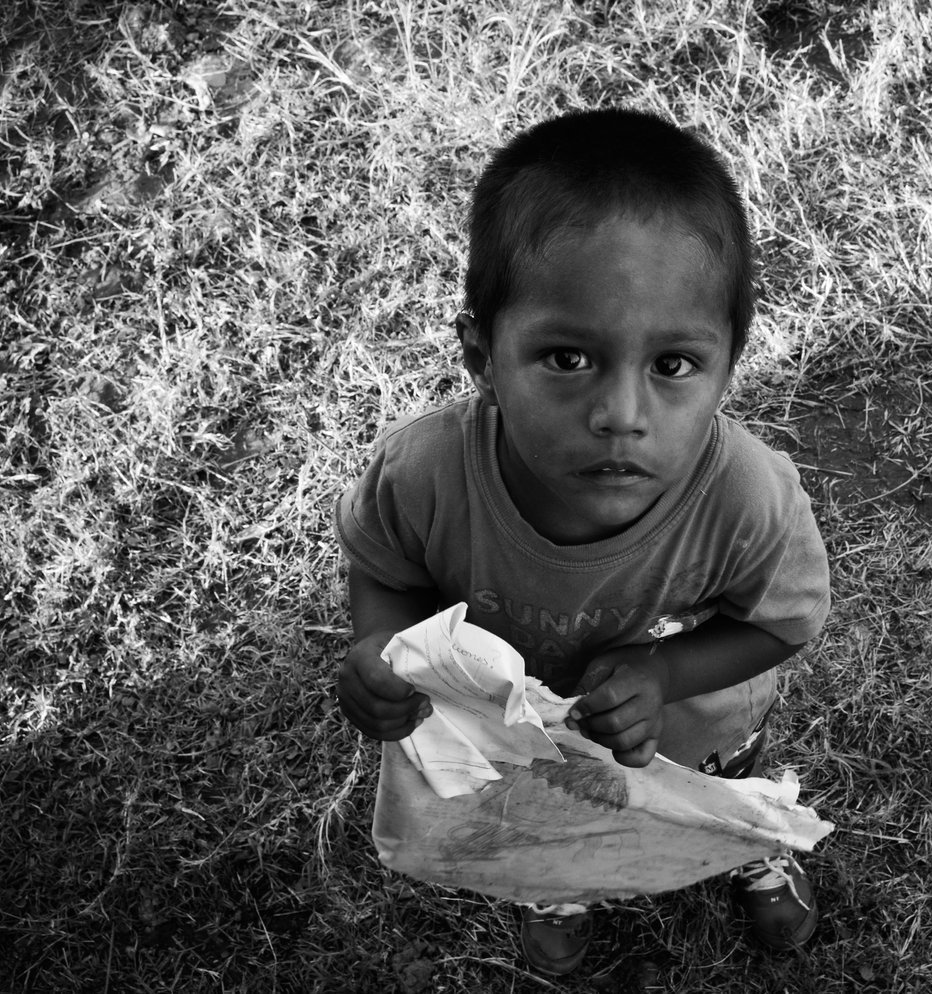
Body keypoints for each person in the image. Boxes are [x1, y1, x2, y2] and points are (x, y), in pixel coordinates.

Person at [334, 107, 832, 976]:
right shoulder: (422, 474)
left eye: (674, 365)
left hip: (695, 725)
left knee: (718, 786)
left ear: (728, 363)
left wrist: (665, 672)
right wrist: (379, 650)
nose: (621, 416)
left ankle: (746, 848)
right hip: (517, 740)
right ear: (481, 351)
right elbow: (384, 569)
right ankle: (552, 880)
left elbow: (786, 622)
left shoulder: (748, 497)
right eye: (567, 358)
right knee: (544, 807)